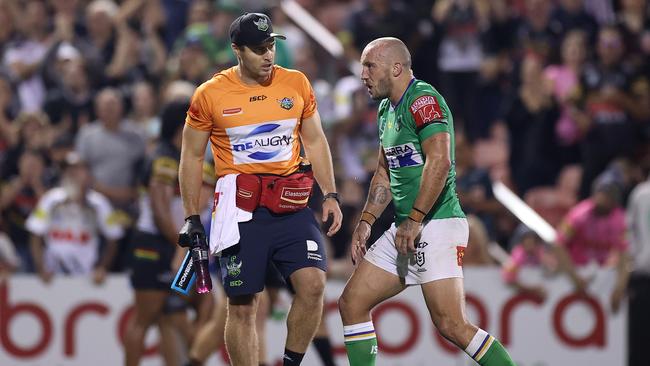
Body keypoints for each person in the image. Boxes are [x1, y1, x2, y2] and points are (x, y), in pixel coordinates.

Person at [338, 37, 516, 366]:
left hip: (435, 224)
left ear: (395, 68)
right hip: (406, 228)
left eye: (369, 66)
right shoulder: (384, 108)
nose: (362, 74)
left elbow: (440, 161)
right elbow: (383, 171)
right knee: (352, 302)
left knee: (451, 325)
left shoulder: (423, 100)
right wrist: (365, 222)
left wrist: (415, 219)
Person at [177, 12, 342, 366]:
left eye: (271, 45)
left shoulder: (296, 83)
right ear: (237, 50)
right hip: (240, 212)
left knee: (313, 286)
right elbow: (190, 156)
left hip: (291, 204)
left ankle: (290, 362)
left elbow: (315, 139)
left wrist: (330, 194)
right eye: (258, 49)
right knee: (243, 305)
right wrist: (191, 217)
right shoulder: (210, 94)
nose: (268, 55)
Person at [124, 100, 214, 366]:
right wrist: (181, 243)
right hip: (154, 244)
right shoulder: (164, 158)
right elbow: (159, 210)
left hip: (176, 243)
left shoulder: (186, 156)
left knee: (189, 307)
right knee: (145, 317)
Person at [25, 151, 122, 282]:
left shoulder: (99, 203)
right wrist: (41, 268)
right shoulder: (50, 199)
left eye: (79, 169)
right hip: (53, 276)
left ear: (88, 173)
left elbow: (114, 238)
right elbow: (35, 234)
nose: (73, 173)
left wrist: (102, 268)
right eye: (68, 169)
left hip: (86, 276)